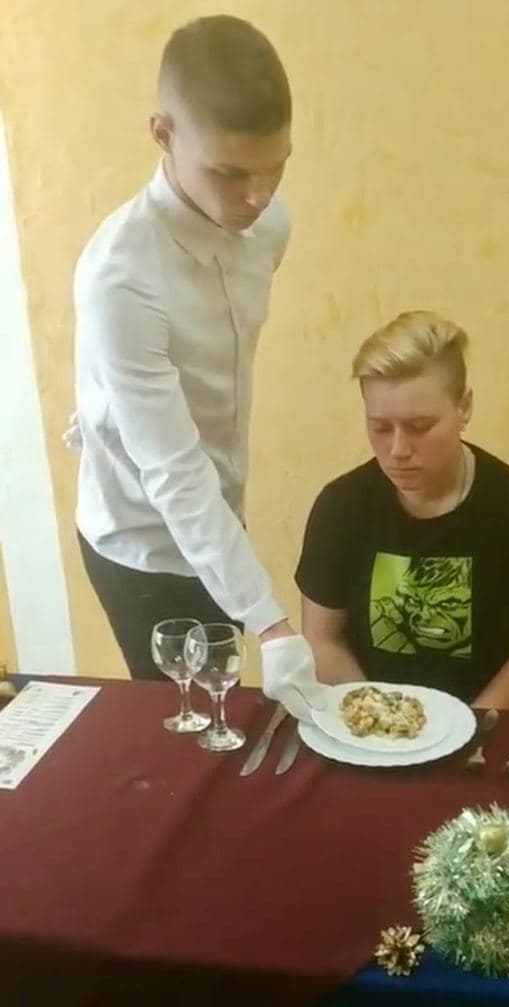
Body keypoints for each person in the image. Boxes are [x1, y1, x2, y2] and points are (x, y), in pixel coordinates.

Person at [66, 14, 321, 720]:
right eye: (231, 173)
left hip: (218, 512)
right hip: (140, 541)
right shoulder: (121, 279)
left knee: (227, 719)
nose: (258, 196)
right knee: (191, 728)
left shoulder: (268, 226)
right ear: (163, 134)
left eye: (276, 167)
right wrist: (272, 624)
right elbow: (173, 474)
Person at [296, 311, 509, 709]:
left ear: (464, 407)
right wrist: (383, 722)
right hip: (369, 722)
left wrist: (468, 727)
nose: (398, 450)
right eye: (380, 427)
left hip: (488, 721)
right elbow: (322, 638)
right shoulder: (341, 506)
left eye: (419, 426)